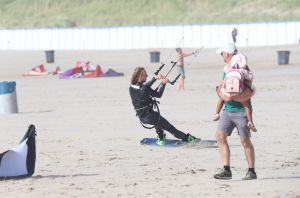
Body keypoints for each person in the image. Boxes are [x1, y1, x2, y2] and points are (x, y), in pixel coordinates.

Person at [213, 43, 257, 180]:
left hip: (241, 111)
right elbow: (221, 88)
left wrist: (230, 96)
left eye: (222, 54)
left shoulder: (243, 68)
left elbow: (249, 90)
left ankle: (251, 171)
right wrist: (222, 94)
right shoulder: (226, 69)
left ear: (227, 53)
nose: (222, 56)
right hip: (227, 110)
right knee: (220, 136)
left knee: (245, 142)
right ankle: (226, 170)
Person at [129, 67, 198, 145]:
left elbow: (144, 86)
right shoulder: (144, 89)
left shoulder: (131, 87)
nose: (147, 75)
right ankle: (189, 138)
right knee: (171, 129)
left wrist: (155, 78)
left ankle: (161, 138)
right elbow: (158, 94)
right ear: (140, 76)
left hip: (142, 118)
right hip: (151, 116)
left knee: (157, 121)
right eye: (145, 74)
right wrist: (163, 83)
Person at [213, 53, 257, 132]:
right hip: (239, 91)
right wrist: (248, 71)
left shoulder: (228, 69)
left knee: (221, 99)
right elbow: (250, 77)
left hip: (228, 91)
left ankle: (216, 113)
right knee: (246, 105)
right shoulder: (243, 70)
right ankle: (250, 121)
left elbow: (225, 76)